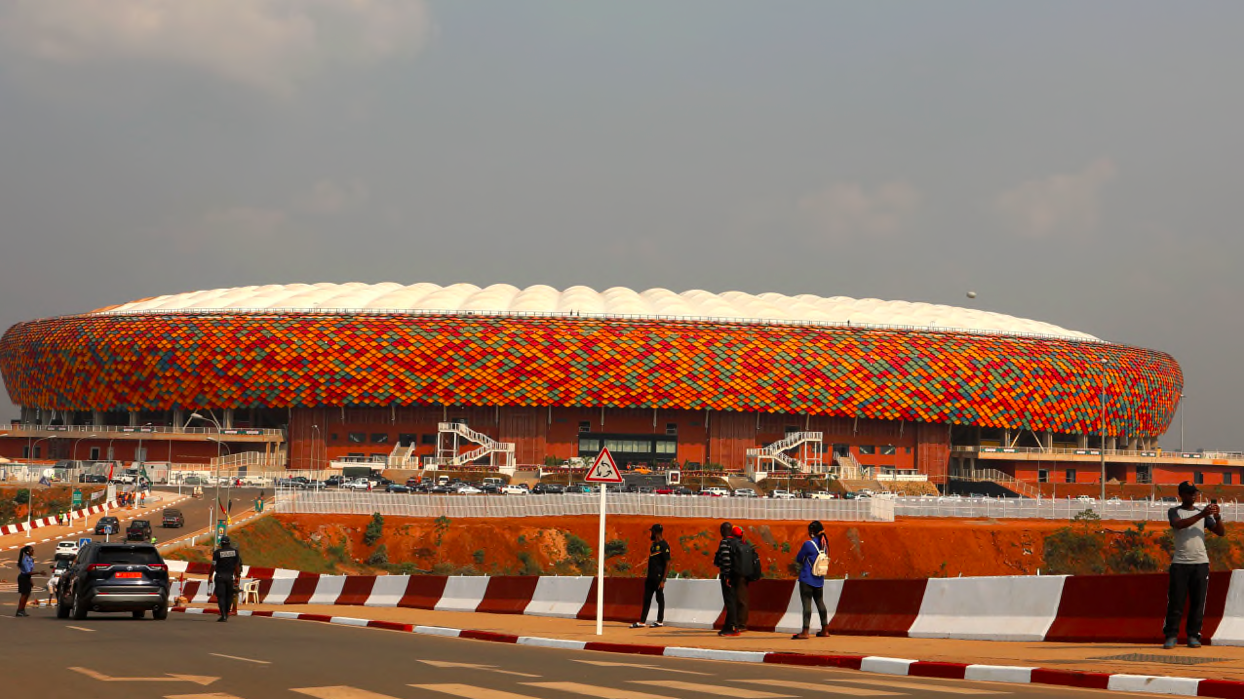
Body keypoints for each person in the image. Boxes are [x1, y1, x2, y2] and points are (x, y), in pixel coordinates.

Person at [1164, 481, 1225, 649]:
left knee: (1198, 603)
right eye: (1190, 492)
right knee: (1176, 602)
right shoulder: (1174, 512)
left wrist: (1217, 516)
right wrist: (1202, 515)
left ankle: (1193, 635)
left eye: (1195, 492)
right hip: (1180, 564)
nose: (1193, 495)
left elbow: (1220, 532)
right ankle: (1171, 635)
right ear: (1181, 495)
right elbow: (1179, 524)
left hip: (1201, 563)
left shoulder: (1202, 514)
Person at [793, 520, 831, 639]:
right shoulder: (824, 544)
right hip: (819, 578)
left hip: (807, 578)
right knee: (820, 602)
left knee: (807, 604)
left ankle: (805, 631)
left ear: (812, 532)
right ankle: (825, 629)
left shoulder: (808, 544)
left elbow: (799, 558)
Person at [631, 523, 671, 629]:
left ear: (656, 532)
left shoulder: (664, 545)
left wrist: (663, 580)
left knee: (659, 598)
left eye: (652, 531)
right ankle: (642, 621)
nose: (651, 533)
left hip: (658, 577)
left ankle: (660, 620)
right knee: (647, 598)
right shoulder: (653, 545)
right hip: (650, 576)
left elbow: (667, 563)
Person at [713, 521, 742, 637]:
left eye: (721, 530)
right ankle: (727, 626)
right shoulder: (737, 542)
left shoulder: (725, 542)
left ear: (725, 530)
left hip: (728, 576)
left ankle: (733, 627)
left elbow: (725, 560)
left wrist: (727, 576)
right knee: (733, 601)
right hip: (737, 575)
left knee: (729, 602)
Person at [209, 535, 243, 622]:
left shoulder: (217, 553)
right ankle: (227, 613)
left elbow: (213, 565)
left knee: (221, 596)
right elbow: (236, 565)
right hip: (229, 577)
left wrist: (210, 576)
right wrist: (237, 576)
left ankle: (223, 615)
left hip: (220, 576)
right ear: (229, 543)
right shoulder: (235, 552)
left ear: (221, 544)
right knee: (229, 596)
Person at [732, 525, 751, 631]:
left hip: (737, 576)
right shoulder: (746, 545)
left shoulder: (733, 546)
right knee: (742, 600)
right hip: (745, 576)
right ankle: (741, 623)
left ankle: (741, 624)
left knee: (739, 600)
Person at [15, 545, 35, 617]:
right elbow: (28, 572)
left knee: (27, 594)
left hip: (27, 578)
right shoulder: (25, 560)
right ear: (27, 552)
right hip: (23, 578)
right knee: (24, 594)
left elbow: (29, 573)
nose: (33, 552)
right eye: (32, 550)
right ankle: (19, 610)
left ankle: (22, 610)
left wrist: (31, 580)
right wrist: (39, 573)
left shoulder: (30, 559)